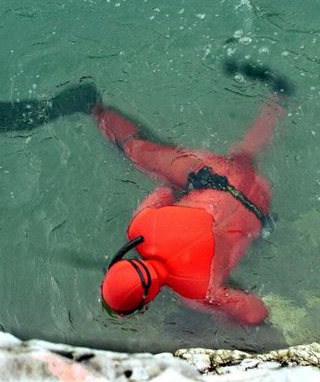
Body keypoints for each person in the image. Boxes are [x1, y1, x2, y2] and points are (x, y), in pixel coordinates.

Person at [96, 94, 287, 325]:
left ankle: (276, 105)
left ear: (147, 300)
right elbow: (165, 192)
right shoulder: (140, 227)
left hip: (259, 204)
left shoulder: (200, 295)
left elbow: (257, 312)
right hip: (219, 176)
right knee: (138, 153)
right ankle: (96, 109)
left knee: (245, 161)